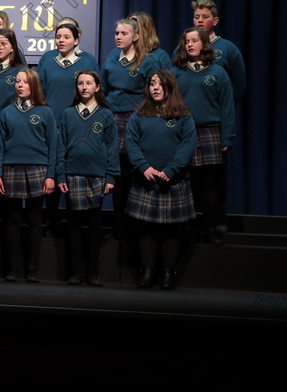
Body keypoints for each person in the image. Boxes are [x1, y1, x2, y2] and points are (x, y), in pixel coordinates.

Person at [124, 70, 197, 289]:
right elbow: (131, 142)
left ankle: (167, 272)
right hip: (146, 181)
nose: (155, 87)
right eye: (152, 84)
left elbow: (187, 146)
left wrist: (172, 169)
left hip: (172, 181)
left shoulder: (183, 116)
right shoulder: (139, 115)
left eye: (160, 84)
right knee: (146, 228)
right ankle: (147, 271)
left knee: (171, 229)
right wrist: (144, 167)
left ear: (170, 88)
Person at [0, 68, 57, 283]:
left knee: (34, 219)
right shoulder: (6, 112)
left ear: (34, 86)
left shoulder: (45, 112)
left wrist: (50, 175)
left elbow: (53, 146)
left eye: (25, 82)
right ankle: (13, 268)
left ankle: (32, 269)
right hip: (10, 169)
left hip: (37, 169)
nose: (20, 85)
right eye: (18, 81)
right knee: (12, 219)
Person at [172, 27, 235, 245]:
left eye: (194, 41)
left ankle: (210, 229)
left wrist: (226, 138)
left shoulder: (218, 72)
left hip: (210, 133)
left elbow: (227, 107)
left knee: (209, 184)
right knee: (185, 185)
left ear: (204, 44)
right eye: (186, 41)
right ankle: (186, 231)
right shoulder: (176, 72)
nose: (190, 45)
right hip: (184, 132)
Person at [57, 70, 119, 286]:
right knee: (73, 223)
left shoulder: (106, 115)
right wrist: (61, 174)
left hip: (97, 175)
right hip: (73, 173)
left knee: (94, 222)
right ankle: (74, 272)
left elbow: (112, 147)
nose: (84, 87)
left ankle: (93, 272)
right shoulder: (68, 114)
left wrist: (111, 175)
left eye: (89, 83)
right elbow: (61, 146)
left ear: (97, 87)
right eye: (80, 83)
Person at [37, 20, 99, 236]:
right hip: (51, 122)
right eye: (58, 37)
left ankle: (73, 221)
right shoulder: (47, 59)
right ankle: (51, 220)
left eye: (65, 37)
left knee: (72, 171)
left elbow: (95, 91)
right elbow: (40, 92)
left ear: (76, 39)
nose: (61, 40)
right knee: (52, 170)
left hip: (77, 123)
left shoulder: (88, 60)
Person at [101, 17, 158, 239]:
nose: (118, 37)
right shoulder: (111, 61)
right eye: (116, 33)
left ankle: (138, 224)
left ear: (135, 36)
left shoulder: (147, 62)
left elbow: (151, 93)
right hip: (114, 119)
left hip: (136, 119)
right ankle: (118, 225)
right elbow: (103, 90)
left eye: (123, 33)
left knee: (136, 170)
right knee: (117, 172)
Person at [174, 0, 246, 102]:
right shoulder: (182, 48)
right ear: (193, 21)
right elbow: (172, 79)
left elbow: (239, 85)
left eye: (205, 17)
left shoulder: (229, 49)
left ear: (215, 21)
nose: (200, 20)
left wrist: (223, 105)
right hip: (185, 111)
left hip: (214, 113)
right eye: (197, 17)